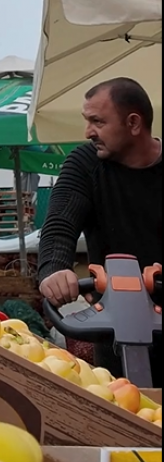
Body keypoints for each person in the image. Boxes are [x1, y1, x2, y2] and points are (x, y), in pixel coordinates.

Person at [38, 77, 162, 386]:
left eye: (97, 121)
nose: (88, 132)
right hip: (117, 329)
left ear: (133, 123)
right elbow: (60, 224)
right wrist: (54, 269)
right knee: (126, 419)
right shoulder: (84, 164)